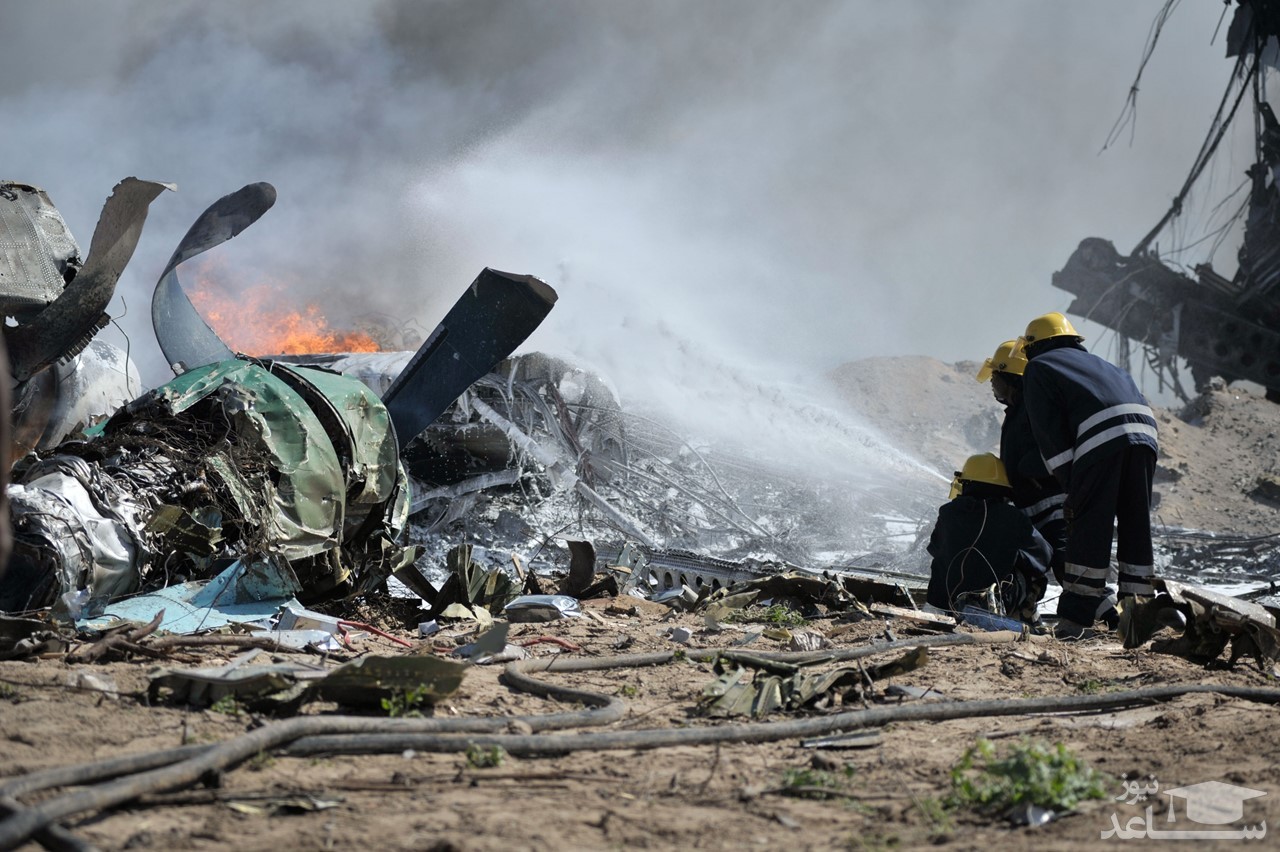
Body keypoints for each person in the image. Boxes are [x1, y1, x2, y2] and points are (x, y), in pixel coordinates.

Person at [1018, 312, 1158, 629]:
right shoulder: (1103, 364)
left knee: (1090, 526)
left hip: (1102, 439)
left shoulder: (1040, 368)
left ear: (1034, 346)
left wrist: (1073, 489)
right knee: (1137, 522)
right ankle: (1139, 612)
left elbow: (1050, 434)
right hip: (1145, 435)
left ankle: (1075, 618)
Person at [976, 340, 1067, 585]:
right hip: (1033, 506)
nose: (992, 382)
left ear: (1011, 376)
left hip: (1052, 505)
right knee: (1035, 564)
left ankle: (1105, 616)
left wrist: (1027, 469)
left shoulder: (1032, 408)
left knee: (1065, 562)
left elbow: (1056, 446)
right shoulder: (1018, 411)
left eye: (996, 373)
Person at [926, 453, 1051, 624]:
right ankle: (1025, 615)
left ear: (967, 483)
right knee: (1035, 575)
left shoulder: (947, 512)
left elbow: (934, 548)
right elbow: (1043, 555)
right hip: (994, 603)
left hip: (944, 601)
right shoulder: (1013, 517)